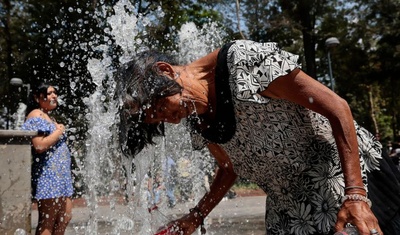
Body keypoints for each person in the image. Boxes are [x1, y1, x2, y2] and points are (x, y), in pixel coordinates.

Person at [117, 40, 400, 235]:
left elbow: (337, 108)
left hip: (345, 183)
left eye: (161, 108)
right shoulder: (197, 118)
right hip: (290, 209)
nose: (170, 119)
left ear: (165, 71)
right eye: (157, 119)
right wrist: (196, 215)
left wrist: (356, 196)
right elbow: (229, 168)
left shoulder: (243, 61)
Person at [21, 83, 74, 235]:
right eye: (49, 93)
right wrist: (59, 132)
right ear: (37, 97)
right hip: (48, 176)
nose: (54, 96)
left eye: (55, 93)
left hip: (61, 176)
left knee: (65, 218)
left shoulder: (48, 117)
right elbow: (39, 145)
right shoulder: (36, 115)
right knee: (47, 222)